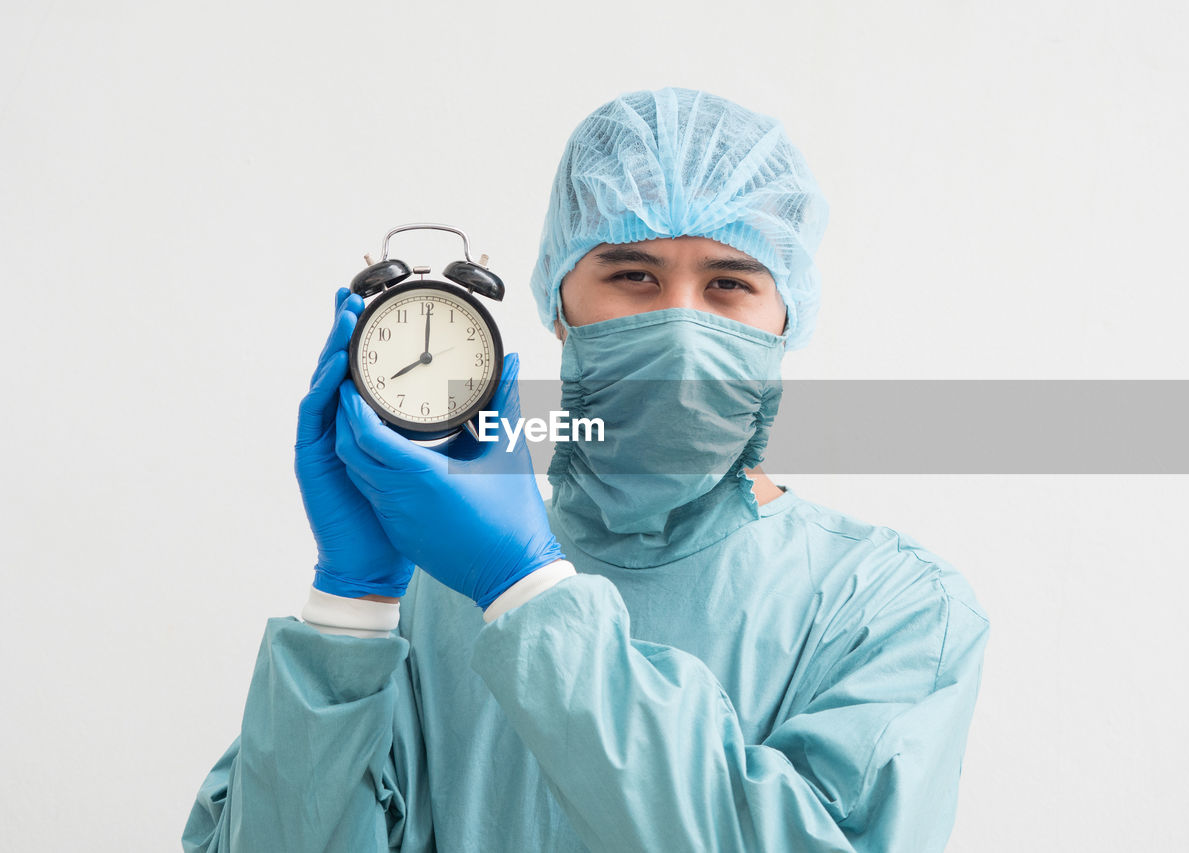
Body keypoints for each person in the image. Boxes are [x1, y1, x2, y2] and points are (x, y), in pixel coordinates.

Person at [184, 87, 989, 852]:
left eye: (729, 283)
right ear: (559, 306)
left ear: (786, 318)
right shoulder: (441, 590)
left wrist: (527, 592)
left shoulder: (894, 610)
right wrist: (349, 611)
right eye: (633, 274)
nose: (680, 323)